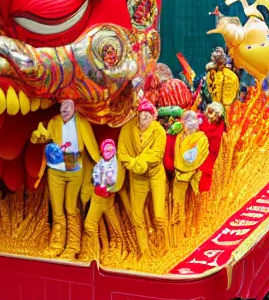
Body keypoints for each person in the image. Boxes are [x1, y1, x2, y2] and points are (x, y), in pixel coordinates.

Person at [30, 99, 100, 259]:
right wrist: (37, 136)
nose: (65, 110)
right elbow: (45, 136)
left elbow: (91, 145)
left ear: (75, 107)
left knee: (71, 207)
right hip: (56, 167)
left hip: (74, 164)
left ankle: (73, 245)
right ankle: (56, 244)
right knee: (57, 209)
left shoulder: (82, 122)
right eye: (62, 106)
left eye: (68, 106)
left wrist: (102, 163)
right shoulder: (54, 121)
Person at [117, 98, 168, 257]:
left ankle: (166, 246)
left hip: (155, 174)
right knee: (137, 216)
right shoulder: (127, 129)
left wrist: (139, 161)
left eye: (148, 113)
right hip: (137, 177)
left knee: (159, 215)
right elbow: (122, 153)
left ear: (153, 116)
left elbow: (157, 154)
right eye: (141, 113)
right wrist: (134, 165)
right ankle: (145, 252)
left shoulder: (158, 130)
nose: (144, 116)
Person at [79, 139, 127, 261]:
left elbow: (116, 180)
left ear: (114, 150)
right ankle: (100, 250)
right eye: (106, 150)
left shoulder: (116, 163)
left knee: (91, 224)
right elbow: (95, 174)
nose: (108, 152)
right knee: (106, 222)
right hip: (99, 195)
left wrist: (106, 188)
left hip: (104, 196)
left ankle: (94, 253)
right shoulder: (101, 162)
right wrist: (97, 185)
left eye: (111, 150)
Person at [170, 110, 209, 244]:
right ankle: (178, 236)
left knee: (196, 203)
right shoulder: (179, 136)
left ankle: (198, 230)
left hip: (194, 176)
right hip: (179, 176)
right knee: (177, 206)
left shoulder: (201, 138)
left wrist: (188, 171)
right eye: (187, 119)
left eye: (193, 119)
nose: (190, 122)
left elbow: (196, 159)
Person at [198, 101, 225, 192]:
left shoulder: (221, 124)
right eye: (210, 111)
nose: (212, 116)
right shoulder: (199, 119)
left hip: (212, 158)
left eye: (215, 115)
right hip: (197, 154)